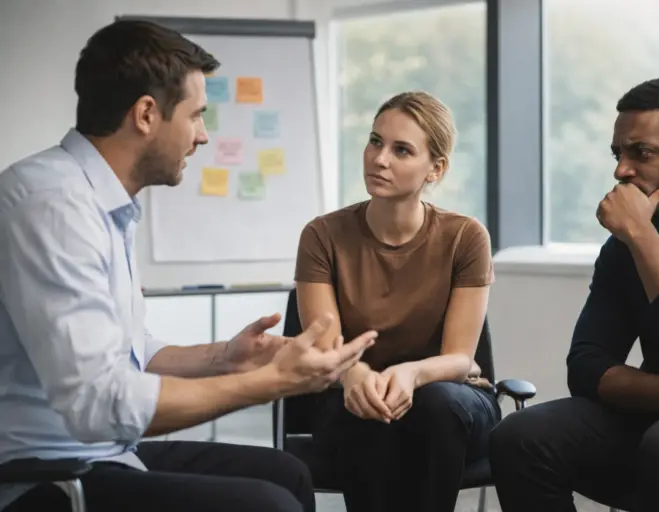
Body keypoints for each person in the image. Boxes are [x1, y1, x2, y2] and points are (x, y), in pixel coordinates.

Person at [0, 19, 378, 512]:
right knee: (268, 505)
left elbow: (130, 352)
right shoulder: (52, 205)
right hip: (44, 475)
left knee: (288, 473)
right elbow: (98, 403)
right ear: (146, 114)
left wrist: (229, 357)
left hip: (103, 454)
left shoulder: (99, 201)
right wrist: (269, 383)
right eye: (196, 115)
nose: (202, 136)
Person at [489, 76, 659, 512]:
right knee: (520, 435)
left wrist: (641, 236)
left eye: (642, 153)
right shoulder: (624, 245)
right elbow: (587, 367)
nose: (621, 170)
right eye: (618, 154)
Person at [293, 90, 501, 512]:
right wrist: (358, 376)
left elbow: (460, 359)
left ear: (435, 169)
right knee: (366, 409)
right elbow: (328, 351)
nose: (379, 159)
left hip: (451, 398)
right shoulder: (322, 235)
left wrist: (411, 373)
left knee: (436, 404)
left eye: (401, 150)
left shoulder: (465, 237)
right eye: (375, 141)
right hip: (352, 393)